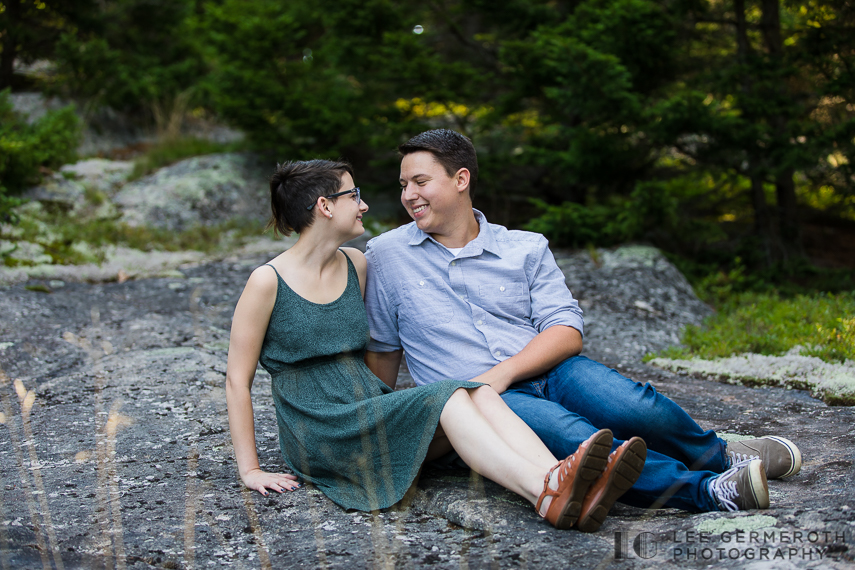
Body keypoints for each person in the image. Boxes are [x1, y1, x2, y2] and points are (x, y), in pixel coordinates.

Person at [363, 129, 802, 529]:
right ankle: (709, 491)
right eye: (403, 185)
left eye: (420, 182)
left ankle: (720, 454)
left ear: (461, 179)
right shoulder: (387, 255)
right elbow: (383, 350)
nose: (409, 195)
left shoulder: (525, 247)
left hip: (552, 370)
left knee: (635, 407)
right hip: (480, 402)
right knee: (576, 439)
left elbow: (566, 330)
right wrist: (381, 434)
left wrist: (509, 370)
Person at [225, 158, 648, 530]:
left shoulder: (356, 265)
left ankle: (558, 481)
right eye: (354, 195)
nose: (365, 204)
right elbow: (236, 381)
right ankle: (547, 491)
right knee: (448, 396)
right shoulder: (268, 281)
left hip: (363, 406)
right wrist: (250, 469)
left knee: (476, 389)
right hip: (318, 427)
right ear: (325, 205)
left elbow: (386, 342)